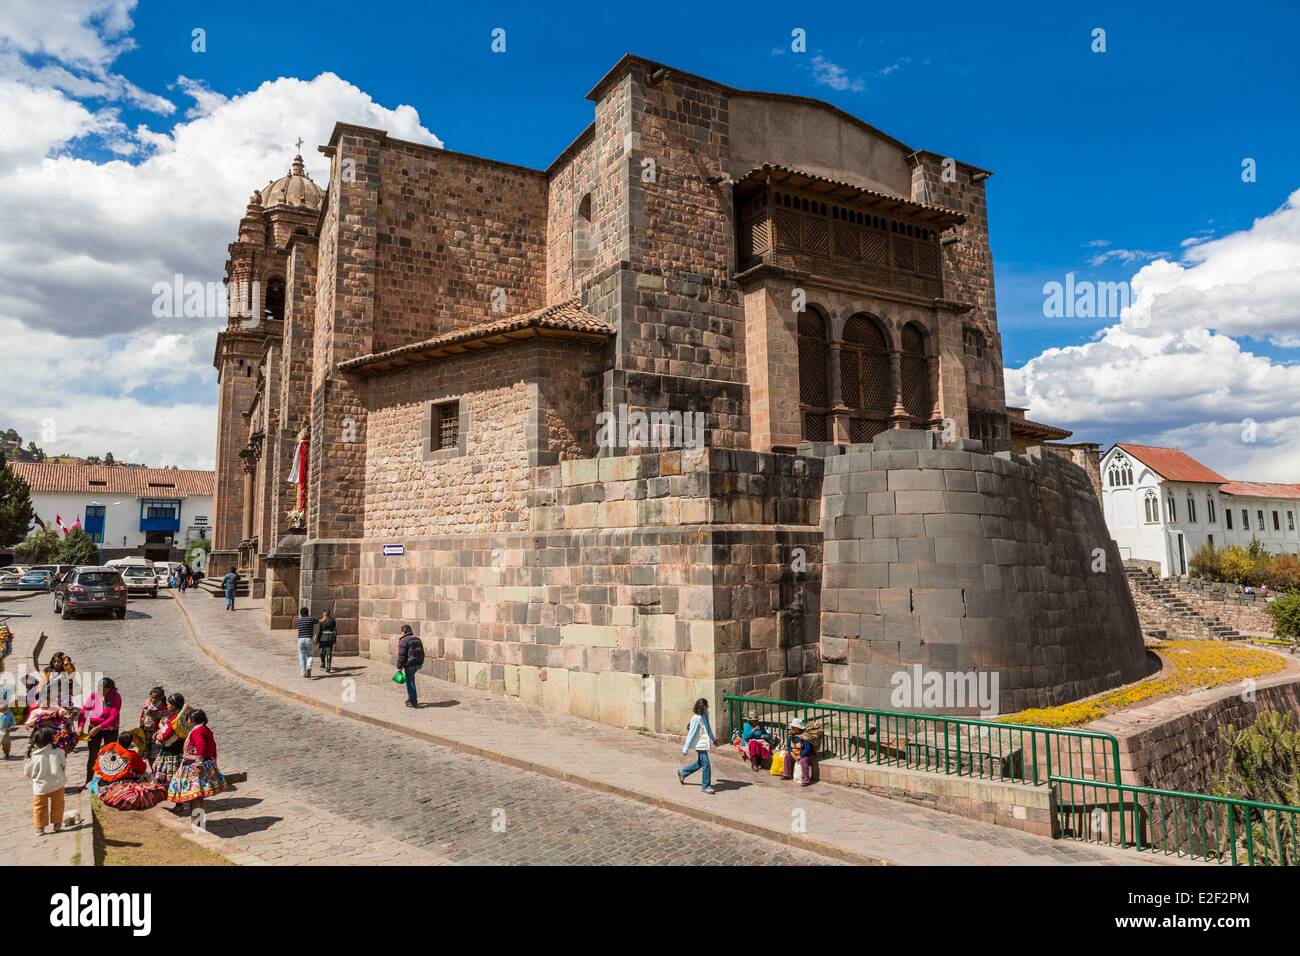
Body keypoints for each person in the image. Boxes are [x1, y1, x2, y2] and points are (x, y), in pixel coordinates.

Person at [166, 709, 226, 812]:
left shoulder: (197, 731)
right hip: (206, 763)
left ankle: (197, 820)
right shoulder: (204, 729)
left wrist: (198, 764)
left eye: (188, 719)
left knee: (195, 793)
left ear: (193, 720)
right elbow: (213, 746)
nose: (187, 721)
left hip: (193, 766)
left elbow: (201, 746)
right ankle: (197, 818)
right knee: (198, 794)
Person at [78, 677, 122, 786]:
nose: (101, 692)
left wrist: (100, 727)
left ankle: (109, 779)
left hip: (109, 729)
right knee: (92, 754)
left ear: (110, 689)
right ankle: (88, 781)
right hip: (94, 728)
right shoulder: (94, 695)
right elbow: (84, 711)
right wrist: (81, 726)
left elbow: (113, 716)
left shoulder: (115, 697)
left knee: (110, 754)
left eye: (103, 689)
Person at [24, 726, 67, 835]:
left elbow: (28, 772)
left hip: (40, 787)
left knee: (39, 807)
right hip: (57, 784)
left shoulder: (34, 756)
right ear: (52, 739)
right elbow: (63, 765)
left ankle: (40, 828)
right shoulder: (59, 751)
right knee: (58, 804)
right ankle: (57, 824)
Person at [677, 698, 717, 794]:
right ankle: (706, 786)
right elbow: (691, 733)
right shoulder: (696, 718)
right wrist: (685, 748)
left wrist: (713, 739)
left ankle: (683, 772)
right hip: (699, 745)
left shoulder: (705, 715)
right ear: (702, 707)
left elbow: (708, 729)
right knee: (706, 764)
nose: (708, 708)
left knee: (700, 763)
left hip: (704, 743)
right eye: (707, 706)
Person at [151, 694, 189, 790]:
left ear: (174, 705)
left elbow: (165, 735)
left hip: (171, 752)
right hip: (181, 749)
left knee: (171, 777)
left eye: (169, 704)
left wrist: (157, 735)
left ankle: (177, 800)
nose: (167, 705)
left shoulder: (175, 719)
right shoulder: (185, 717)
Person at [395, 625, 424, 708]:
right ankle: (410, 698)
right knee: (411, 680)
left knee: (410, 683)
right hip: (417, 663)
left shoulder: (404, 640)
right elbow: (421, 652)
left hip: (410, 664)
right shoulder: (417, 638)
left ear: (404, 631)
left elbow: (402, 655)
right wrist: (421, 663)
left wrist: (399, 665)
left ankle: (413, 701)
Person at [781, 717, 815, 787]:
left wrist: (800, 756)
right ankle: (786, 774)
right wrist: (791, 752)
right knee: (787, 756)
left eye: (794, 727)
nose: (792, 729)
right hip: (795, 753)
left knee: (803, 761)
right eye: (792, 727)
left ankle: (806, 780)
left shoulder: (805, 737)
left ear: (798, 728)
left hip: (806, 755)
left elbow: (807, 749)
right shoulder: (791, 735)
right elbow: (788, 745)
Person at [138, 686, 167, 760]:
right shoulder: (147, 705)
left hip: (155, 733)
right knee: (144, 754)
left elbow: (164, 721)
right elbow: (142, 716)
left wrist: (156, 715)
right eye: (152, 697)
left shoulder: (163, 708)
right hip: (145, 732)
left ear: (161, 698)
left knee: (153, 756)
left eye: (156, 698)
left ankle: (154, 770)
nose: (153, 700)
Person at [293, 607, 315, 678]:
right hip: (308, 639)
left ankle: (303, 672)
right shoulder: (311, 619)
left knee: (302, 656)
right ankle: (309, 667)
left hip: (301, 639)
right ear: (308, 612)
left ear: (301, 613)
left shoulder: (298, 620)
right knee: (310, 654)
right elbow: (319, 621)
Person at [315, 608, 337, 674]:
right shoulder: (333, 620)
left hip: (323, 638)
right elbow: (335, 629)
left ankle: (323, 663)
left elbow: (318, 631)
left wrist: (316, 640)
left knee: (322, 651)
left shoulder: (321, 620)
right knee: (329, 651)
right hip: (330, 638)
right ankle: (328, 667)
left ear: (323, 612)